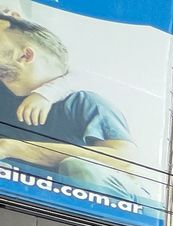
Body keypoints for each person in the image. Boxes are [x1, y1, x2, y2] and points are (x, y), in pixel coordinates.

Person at [0, 13, 142, 199]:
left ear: (26, 56)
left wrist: (15, 148)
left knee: (79, 167)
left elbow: (124, 160)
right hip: (28, 209)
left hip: (106, 212)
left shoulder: (85, 104)